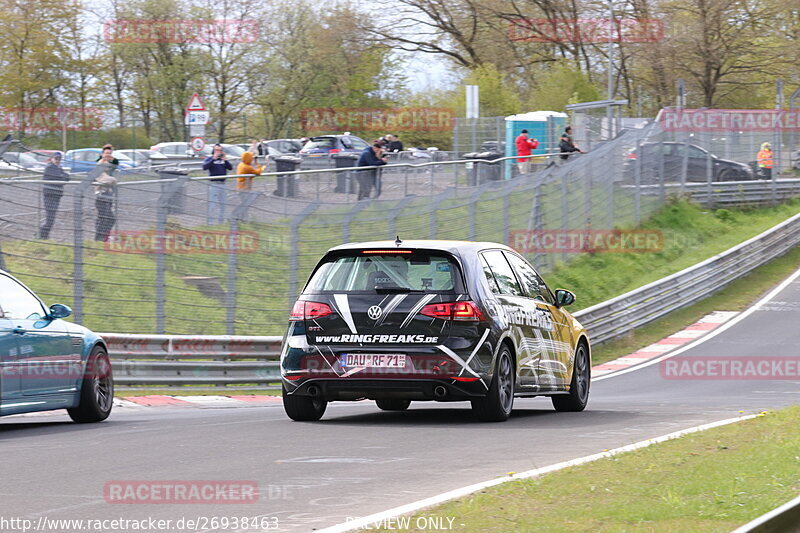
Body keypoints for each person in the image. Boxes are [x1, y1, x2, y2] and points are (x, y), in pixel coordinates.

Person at [39, 152, 69, 239]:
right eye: (56, 159)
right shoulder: (50, 167)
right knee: (50, 218)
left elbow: (66, 177)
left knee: (51, 218)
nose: (57, 161)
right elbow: (60, 177)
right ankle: (42, 235)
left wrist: (62, 177)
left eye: (59, 159)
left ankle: (44, 236)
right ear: (51, 158)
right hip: (50, 195)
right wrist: (62, 177)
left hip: (56, 195)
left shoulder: (58, 167)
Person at [203, 144, 233, 224]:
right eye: (217, 150)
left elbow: (230, 167)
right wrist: (213, 159)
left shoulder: (223, 160)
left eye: (220, 150)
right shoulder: (209, 159)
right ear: (213, 151)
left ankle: (221, 222)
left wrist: (225, 160)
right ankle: (210, 223)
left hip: (223, 183)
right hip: (214, 183)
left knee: (223, 204)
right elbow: (204, 167)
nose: (218, 152)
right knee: (212, 204)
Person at [94, 145, 118, 242]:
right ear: (102, 154)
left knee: (107, 219)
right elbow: (104, 179)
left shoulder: (108, 165)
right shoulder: (100, 165)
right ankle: (99, 238)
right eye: (106, 153)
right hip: (101, 195)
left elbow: (116, 164)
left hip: (108, 195)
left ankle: (103, 237)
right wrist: (114, 180)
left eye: (110, 153)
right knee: (106, 218)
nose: (108, 155)